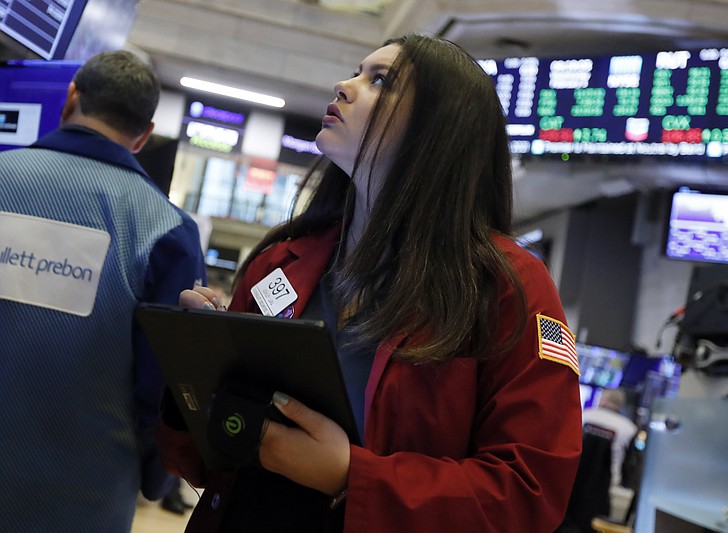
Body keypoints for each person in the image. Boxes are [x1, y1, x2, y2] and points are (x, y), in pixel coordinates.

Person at [159, 33, 582, 532]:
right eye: (357, 71)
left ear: (440, 128)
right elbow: (212, 460)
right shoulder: (283, 259)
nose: (344, 85)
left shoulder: (508, 286)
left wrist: (351, 477)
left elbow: (528, 492)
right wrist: (196, 370)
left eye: (379, 81)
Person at [0, 50, 206, 531]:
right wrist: (156, 477)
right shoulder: (166, 231)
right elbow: (165, 383)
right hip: (83, 497)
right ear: (144, 135)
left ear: (71, 97)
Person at [581, 389, 638, 488]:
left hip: (576, 474)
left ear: (603, 400)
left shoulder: (584, 416)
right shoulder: (629, 428)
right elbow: (629, 462)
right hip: (609, 484)